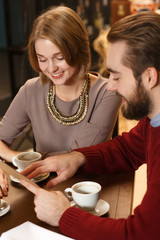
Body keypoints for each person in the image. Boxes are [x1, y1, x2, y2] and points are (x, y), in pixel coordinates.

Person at [21, 11, 160, 239]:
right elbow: (127, 149)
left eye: (116, 76)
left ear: (149, 77)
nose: (111, 87)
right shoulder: (153, 121)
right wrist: (78, 158)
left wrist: (63, 215)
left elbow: (139, 234)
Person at [0, 6, 121, 196]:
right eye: (42, 59)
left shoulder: (107, 92)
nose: (51, 68)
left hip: (89, 193)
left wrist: (31, 161)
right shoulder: (31, 89)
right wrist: (13, 159)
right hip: (42, 194)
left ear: (78, 50)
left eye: (59, 57)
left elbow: (77, 157)